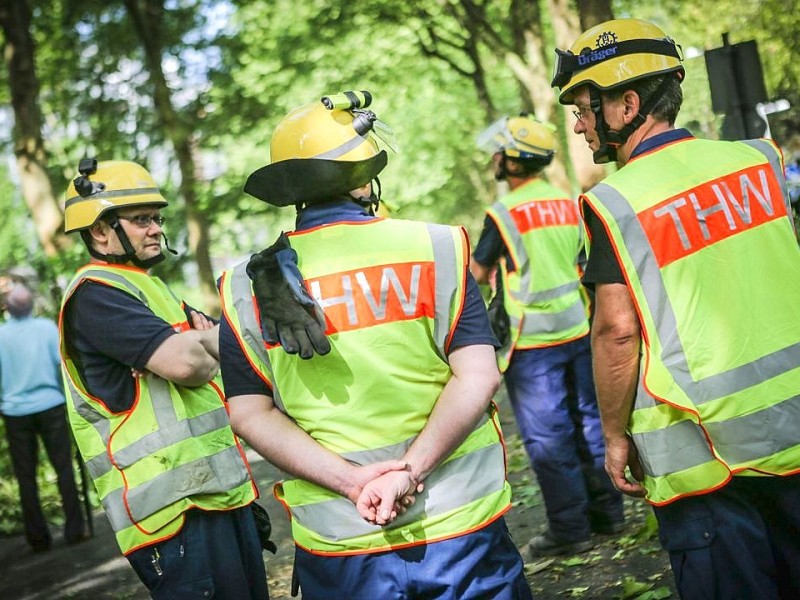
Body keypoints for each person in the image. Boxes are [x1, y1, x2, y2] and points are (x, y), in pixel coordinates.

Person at [218, 91, 532, 599]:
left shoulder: (241, 287)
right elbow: (478, 374)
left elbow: (249, 413)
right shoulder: (436, 247)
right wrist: (408, 473)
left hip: (343, 541)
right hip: (455, 521)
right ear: (365, 178)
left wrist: (351, 482)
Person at [552, 17, 800, 599]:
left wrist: (614, 437)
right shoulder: (758, 160)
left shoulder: (615, 202)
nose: (581, 126)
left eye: (585, 109)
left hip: (703, 460)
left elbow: (617, 332)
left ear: (627, 104)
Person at [58, 158, 269, 599]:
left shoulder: (147, 288)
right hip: (174, 516)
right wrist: (196, 344)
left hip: (217, 498)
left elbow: (223, 349)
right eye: (140, 220)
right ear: (100, 230)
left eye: (156, 218)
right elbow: (189, 365)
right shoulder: (97, 295)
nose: (155, 228)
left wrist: (199, 343)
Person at [470, 115, 624, 557]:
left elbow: (478, 273)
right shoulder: (568, 202)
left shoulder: (503, 214)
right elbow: (582, 262)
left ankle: (570, 530)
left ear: (514, 162)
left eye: (499, 152)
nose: (494, 159)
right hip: (577, 328)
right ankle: (610, 515)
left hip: (532, 342)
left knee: (548, 438)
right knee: (591, 425)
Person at [0, 283, 86, 553]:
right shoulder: (47, 329)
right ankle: (75, 531)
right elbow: (63, 367)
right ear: (32, 305)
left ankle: (38, 539)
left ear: (7, 309)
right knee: (63, 468)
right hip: (51, 406)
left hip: (15, 412)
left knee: (25, 476)